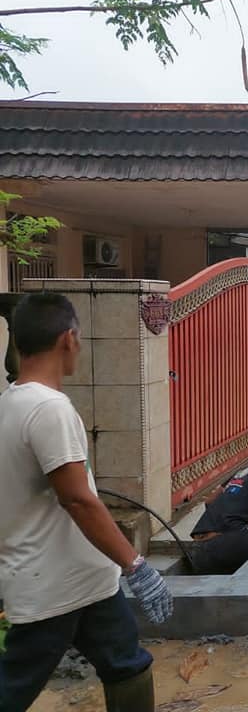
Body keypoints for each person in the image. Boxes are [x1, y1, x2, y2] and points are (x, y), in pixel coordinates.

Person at [0, 293, 173, 712]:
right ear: (68, 340)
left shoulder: (11, 403)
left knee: (128, 665)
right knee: (13, 689)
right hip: (52, 586)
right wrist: (135, 564)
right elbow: (77, 499)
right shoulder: (49, 409)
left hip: (88, 581)